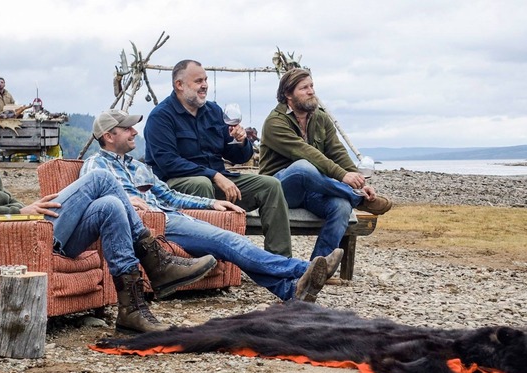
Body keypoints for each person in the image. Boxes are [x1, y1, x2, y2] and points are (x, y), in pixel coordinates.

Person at [0, 97, 218, 334]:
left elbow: (3, 199)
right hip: (14, 235)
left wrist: (26, 206)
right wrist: (20, 213)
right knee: (101, 180)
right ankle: (157, 261)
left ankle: (132, 310)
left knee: (110, 206)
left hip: (30, 229)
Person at [85, 109, 344, 303]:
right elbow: (90, 201)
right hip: (151, 225)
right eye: (127, 128)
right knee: (229, 242)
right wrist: (124, 199)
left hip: (171, 217)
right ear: (109, 136)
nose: (134, 132)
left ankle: (291, 292)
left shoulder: (138, 166)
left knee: (230, 244)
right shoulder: (96, 165)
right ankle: (304, 268)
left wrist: (212, 202)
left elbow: (171, 196)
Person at [144, 59, 292, 258]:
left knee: (270, 186)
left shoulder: (213, 111)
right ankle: (209, 258)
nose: (204, 85)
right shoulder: (160, 117)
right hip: (176, 187)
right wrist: (213, 175)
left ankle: (280, 261)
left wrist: (241, 142)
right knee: (201, 184)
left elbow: (239, 156)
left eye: (205, 80)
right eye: (198, 81)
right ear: (179, 85)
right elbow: (168, 162)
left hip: (217, 179)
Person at [259, 68, 393, 260]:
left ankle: (319, 267)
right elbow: (306, 153)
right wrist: (344, 179)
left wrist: (360, 183)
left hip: (312, 189)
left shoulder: (320, 118)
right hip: (279, 190)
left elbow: (337, 152)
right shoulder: (275, 122)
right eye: (304, 88)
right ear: (288, 94)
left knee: (341, 206)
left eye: (312, 86)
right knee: (304, 166)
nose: (311, 91)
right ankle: (358, 199)